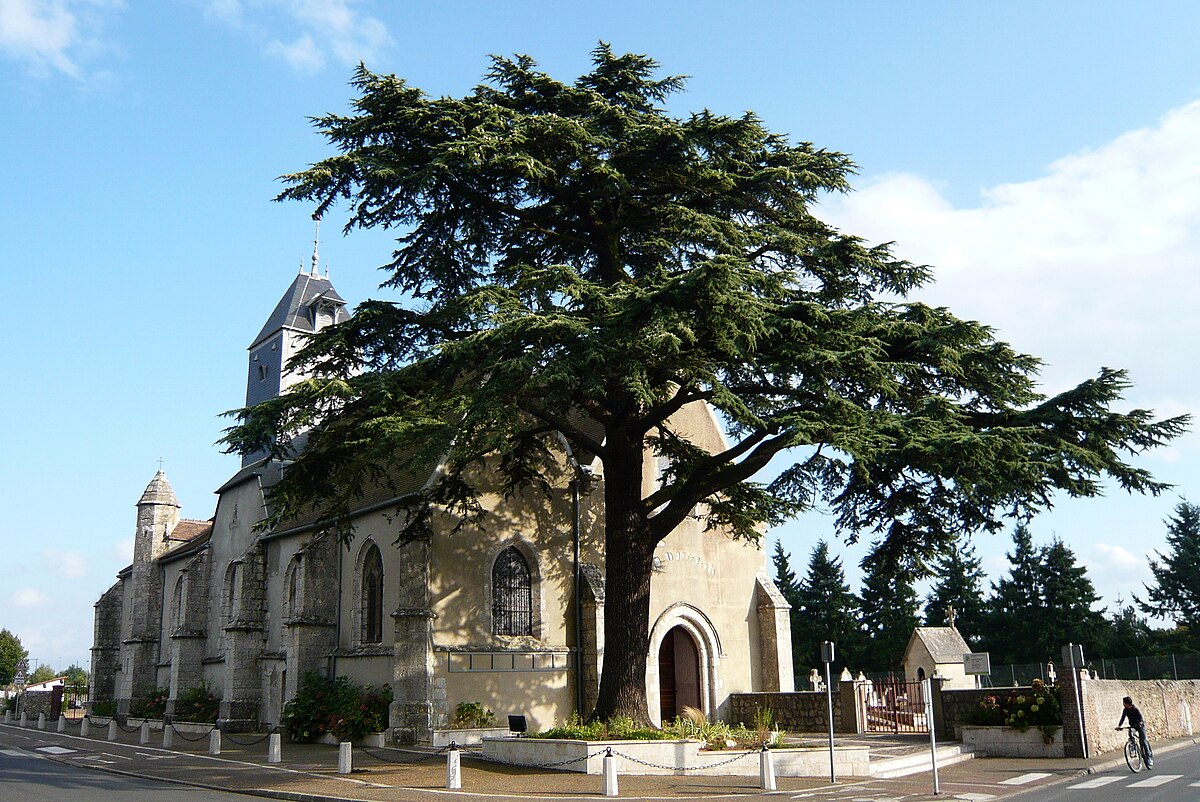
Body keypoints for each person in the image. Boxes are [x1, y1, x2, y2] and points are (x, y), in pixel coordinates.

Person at [1116, 696, 1153, 768]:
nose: (1123, 704)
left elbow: (1140, 718)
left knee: (1143, 740)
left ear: (1127, 703)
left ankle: (1149, 757)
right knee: (1130, 732)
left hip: (1140, 726)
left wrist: (1141, 723)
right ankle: (1133, 745)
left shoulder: (1135, 709)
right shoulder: (1125, 710)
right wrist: (1119, 726)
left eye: (1124, 703)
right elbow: (1122, 718)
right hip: (1133, 726)